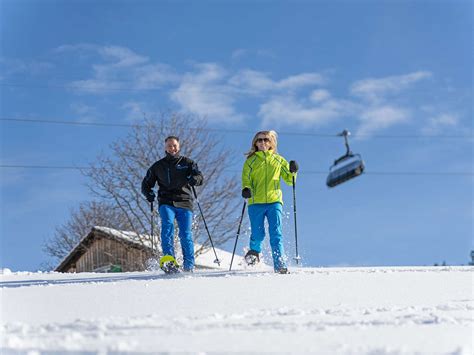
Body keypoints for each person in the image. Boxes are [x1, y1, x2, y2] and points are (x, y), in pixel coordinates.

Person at [141, 135, 203, 272]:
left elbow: (200, 177)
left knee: (185, 233)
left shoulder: (188, 163)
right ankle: (169, 260)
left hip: (185, 202)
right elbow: (146, 184)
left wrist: (195, 179)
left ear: (178, 146)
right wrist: (149, 194)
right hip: (166, 201)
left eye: (174, 145)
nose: (172, 148)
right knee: (167, 227)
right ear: (165, 147)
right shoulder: (158, 166)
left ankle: (189, 265)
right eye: (169, 145)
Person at [241, 130, 298, 274]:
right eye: (259, 140)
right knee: (258, 234)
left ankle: (280, 266)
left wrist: (293, 171)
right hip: (255, 202)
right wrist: (246, 189)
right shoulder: (250, 161)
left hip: (274, 201)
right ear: (255, 143)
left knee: (276, 233)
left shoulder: (279, 160)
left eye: (266, 140)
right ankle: (254, 251)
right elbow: (246, 179)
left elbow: (289, 180)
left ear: (271, 142)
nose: (262, 142)